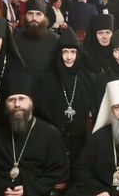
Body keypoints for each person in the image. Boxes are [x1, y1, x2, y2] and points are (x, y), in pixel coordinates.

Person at [35, 32, 99, 161]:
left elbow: (92, 109)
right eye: (65, 52)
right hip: (53, 140)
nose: (69, 57)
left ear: (78, 54)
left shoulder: (86, 79)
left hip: (81, 142)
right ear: (59, 54)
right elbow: (42, 112)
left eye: (73, 52)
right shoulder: (46, 80)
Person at [14, 0, 60, 77]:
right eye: (30, 13)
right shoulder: (15, 37)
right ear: (25, 15)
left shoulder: (55, 40)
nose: (34, 18)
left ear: (44, 16)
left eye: (38, 14)